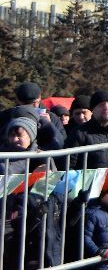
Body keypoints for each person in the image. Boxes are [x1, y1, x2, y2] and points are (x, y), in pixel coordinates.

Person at [1, 114, 64, 268]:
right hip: (8, 219)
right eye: (12, 135)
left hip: (38, 216)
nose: (15, 139)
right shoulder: (3, 157)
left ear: (31, 136)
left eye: (19, 135)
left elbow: (55, 185)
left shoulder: (43, 156)